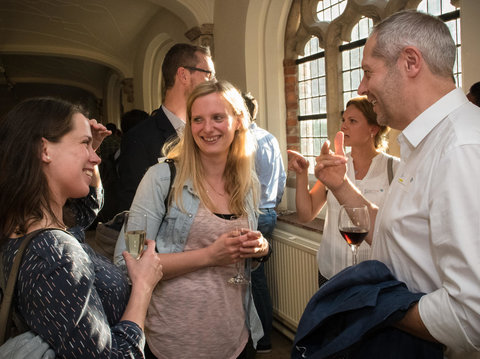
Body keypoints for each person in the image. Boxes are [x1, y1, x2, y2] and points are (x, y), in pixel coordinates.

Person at [314, 10, 480, 357]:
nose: (362, 87)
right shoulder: (426, 142)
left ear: (409, 62)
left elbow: (471, 315)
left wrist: (376, 304)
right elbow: (399, 233)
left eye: (368, 72)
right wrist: (340, 185)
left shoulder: (461, 148)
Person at [114, 80, 270, 359]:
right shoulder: (162, 179)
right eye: (197, 119)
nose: (207, 128)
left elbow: (239, 259)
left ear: (237, 121)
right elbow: (129, 260)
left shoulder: (247, 182)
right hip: (174, 344)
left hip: (236, 340)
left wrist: (259, 250)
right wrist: (210, 255)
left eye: (218, 118)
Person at [0, 97, 163, 358]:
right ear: (45, 150)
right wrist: (143, 286)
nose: (97, 158)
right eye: (84, 144)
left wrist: (87, 155)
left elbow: (87, 208)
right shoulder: (53, 252)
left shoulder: (29, 227)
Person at [288, 96, 399, 285]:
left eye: (353, 121)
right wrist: (302, 174)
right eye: (343, 120)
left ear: (373, 129)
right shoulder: (334, 166)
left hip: (372, 278)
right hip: (331, 273)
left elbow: (397, 231)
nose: (344, 126)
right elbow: (306, 214)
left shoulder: (394, 169)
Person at [117, 43, 215, 212]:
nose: (214, 82)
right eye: (209, 74)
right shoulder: (139, 139)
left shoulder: (209, 132)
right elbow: (136, 209)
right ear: (183, 75)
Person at [242, 92, 286, 354]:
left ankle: (260, 339)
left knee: (250, 278)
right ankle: (263, 337)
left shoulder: (244, 141)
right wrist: (273, 203)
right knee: (257, 277)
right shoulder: (270, 137)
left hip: (252, 213)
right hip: (269, 211)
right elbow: (281, 177)